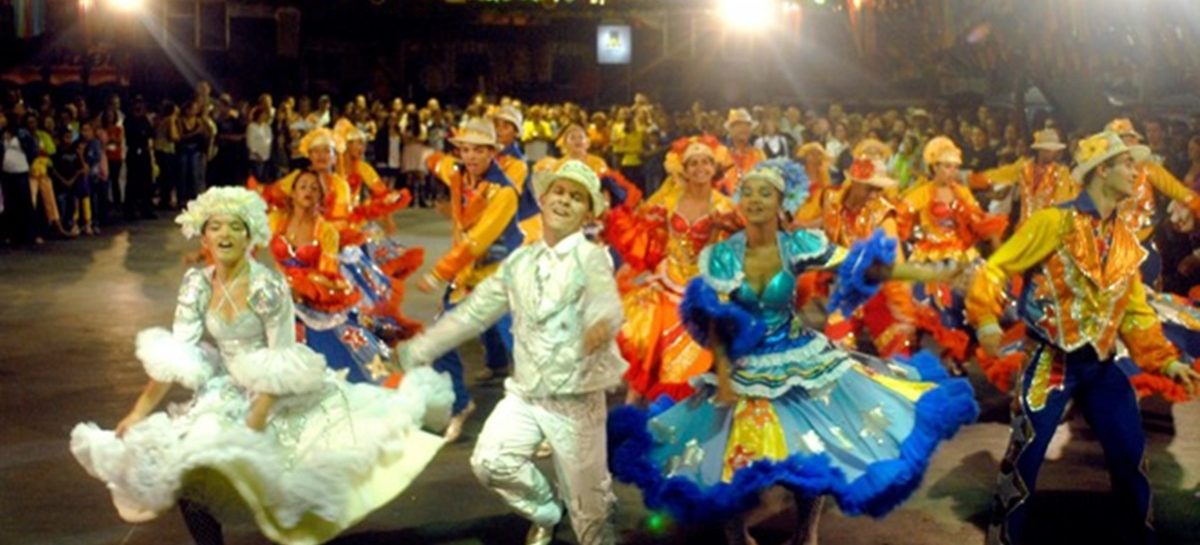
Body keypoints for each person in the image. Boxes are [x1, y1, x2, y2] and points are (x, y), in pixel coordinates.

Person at [609, 159, 977, 545]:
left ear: (781, 202)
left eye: (765, 193)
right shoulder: (723, 255)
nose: (755, 199)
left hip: (800, 360)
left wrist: (929, 273)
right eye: (748, 193)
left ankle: (807, 532)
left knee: (812, 447)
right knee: (731, 454)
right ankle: (737, 535)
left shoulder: (799, 245)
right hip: (744, 365)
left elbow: (862, 266)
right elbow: (712, 317)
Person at [70, 186, 451, 545]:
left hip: (271, 392)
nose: (224, 234)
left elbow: (280, 358)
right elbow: (177, 352)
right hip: (222, 389)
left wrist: (254, 421)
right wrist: (138, 411)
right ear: (203, 237)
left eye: (235, 226)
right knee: (189, 467)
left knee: (286, 481)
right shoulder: (196, 284)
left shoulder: (267, 286)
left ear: (250, 236)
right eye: (215, 226)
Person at [968, 131, 1200, 545]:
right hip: (1051, 363)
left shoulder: (1124, 239)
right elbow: (995, 268)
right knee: (1025, 457)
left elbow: (1135, 311)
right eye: (1127, 163)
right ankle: (1004, 539)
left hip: (1102, 365)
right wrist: (986, 319)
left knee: (1130, 454)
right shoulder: (1053, 222)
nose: (1136, 171)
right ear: (1102, 170)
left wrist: (1165, 360)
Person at [398, 160, 625, 545]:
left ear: (588, 213)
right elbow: (473, 313)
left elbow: (606, 304)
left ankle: (585, 515)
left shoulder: (592, 259)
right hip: (527, 393)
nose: (564, 201)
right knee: (490, 462)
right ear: (543, 199)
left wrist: (598, 328)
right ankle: (547, 512)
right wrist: (420, 349)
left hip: (576, 400)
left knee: (591, 518)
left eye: (576, 197)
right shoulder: (519, 262)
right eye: (558, 192)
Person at [606, 135, 740, 404]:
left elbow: (732, 253)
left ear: (714, 167)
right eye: (693, 163)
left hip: (704, 287)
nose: (700, 168)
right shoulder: (668, 201)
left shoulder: (725, 207)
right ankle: (632, 414)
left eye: (706, 162)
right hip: (667, 281)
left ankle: (688, 414)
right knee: (650, 349)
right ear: (683, 169)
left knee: (695, 361)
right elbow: (646, 236)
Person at [420, 117, 526, 442]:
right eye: (466, 150)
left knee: (523, 353)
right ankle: (459, 405)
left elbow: (478, 241)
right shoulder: (457, 174)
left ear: (493, 153)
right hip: (467, 278)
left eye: (479, 150)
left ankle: (539, 424)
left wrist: (439, 273)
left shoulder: (504, 191)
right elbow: (440, 164)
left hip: (501, 279)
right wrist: (426, 155)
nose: (471, 156)